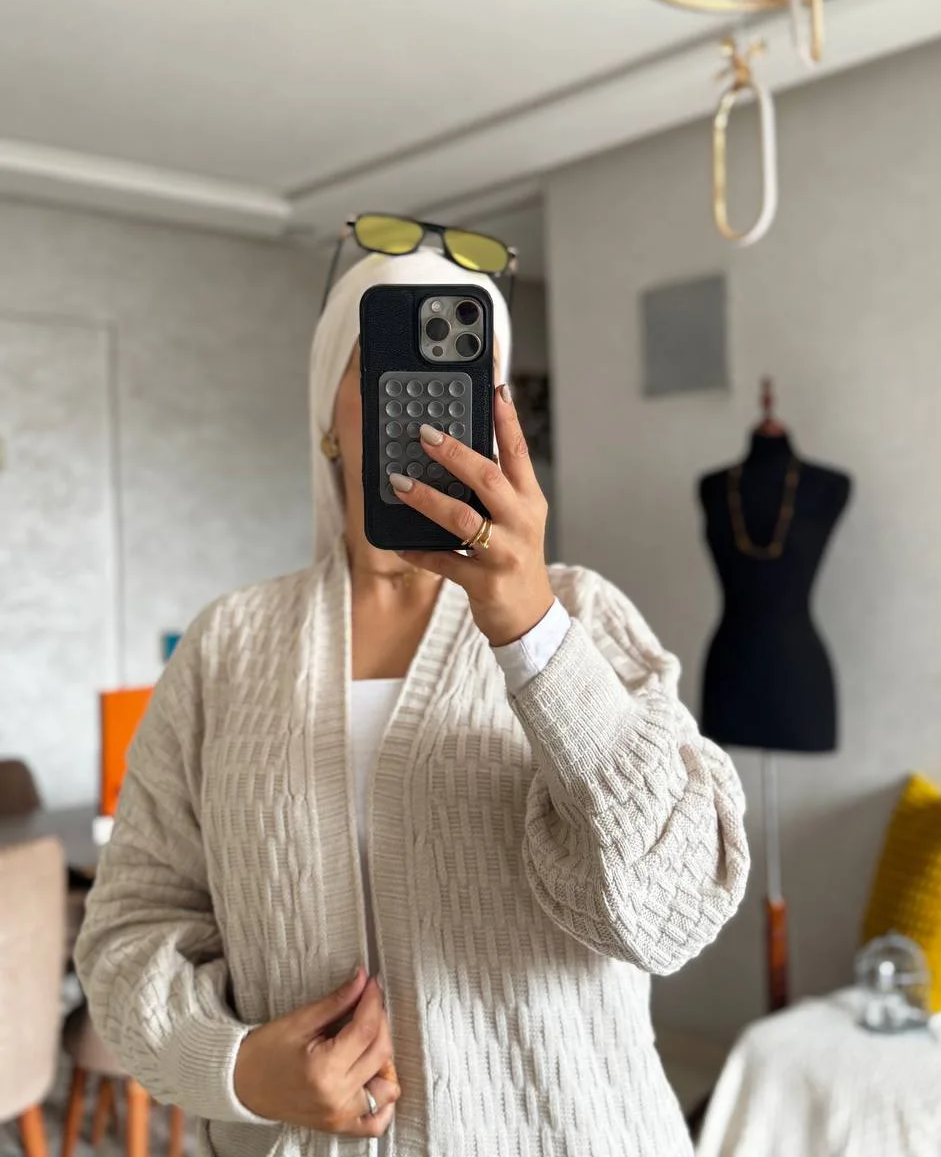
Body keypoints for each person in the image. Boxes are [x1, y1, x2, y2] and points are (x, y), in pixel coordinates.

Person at [76, 246, 750, 1157]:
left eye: (467, 373)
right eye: (388, 363)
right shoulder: (226, 646)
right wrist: (237, 1069)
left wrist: (531, 632)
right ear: (329, 416)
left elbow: (674, 910)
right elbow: (131, 925)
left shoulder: (582, 614)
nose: (426, 402)